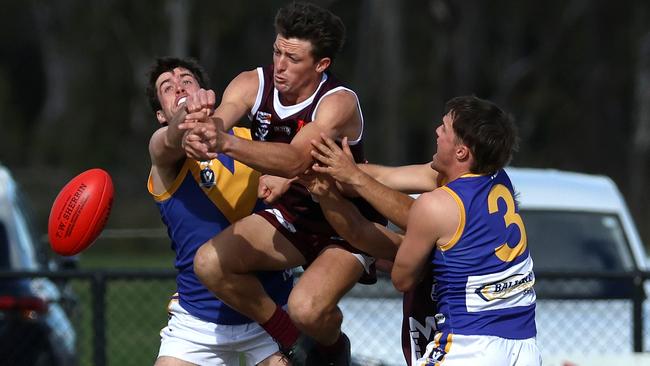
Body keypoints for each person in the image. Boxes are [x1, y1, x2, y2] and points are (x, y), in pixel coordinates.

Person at [178, 3, 385, 364]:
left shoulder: (338, 102)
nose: (280, 65)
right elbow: (222, 118)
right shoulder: (253, 82)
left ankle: (335, 348)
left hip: (346, 222)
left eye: (293, 57)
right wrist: (202, 132)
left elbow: (296, 160)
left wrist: (225, 143)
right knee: (210, 263)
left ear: (321, 65)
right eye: (276, 51)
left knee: (309, 309)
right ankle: (286, 334)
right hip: (294, 216)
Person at [308, 96, 541, 365]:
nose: (436, 131)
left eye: (445, 128)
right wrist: (350, 173)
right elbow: (384, 177)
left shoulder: (435, 205)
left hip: (470, 346)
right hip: (523, 347)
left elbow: (402, 279)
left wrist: (347, 190)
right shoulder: (498, 179)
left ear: (461, 152)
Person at [145, 56, 293, 366]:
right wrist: (186, 114)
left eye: (187, 81)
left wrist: (287, 175)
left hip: (268, 312)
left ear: (206, 93)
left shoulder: (250, 142)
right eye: (167, 87)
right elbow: (168, 140)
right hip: (198, 322)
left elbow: (294, 162)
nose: (179, 87)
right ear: (161, 114)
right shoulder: (165, 155)